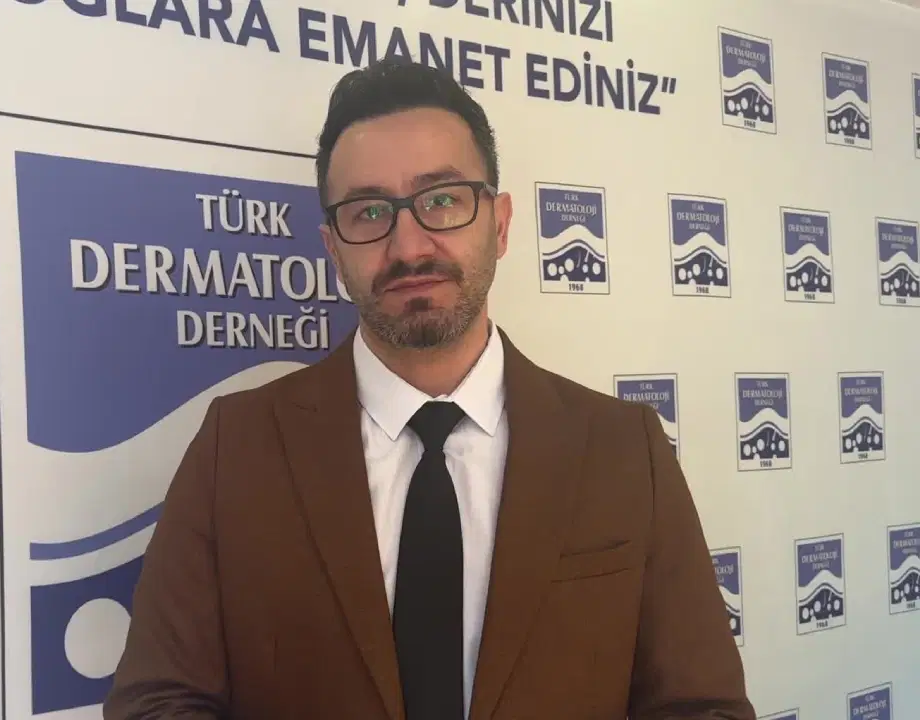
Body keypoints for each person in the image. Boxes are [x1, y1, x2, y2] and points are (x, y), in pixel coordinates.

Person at [104, 58, 755, 720]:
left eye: (442, 200)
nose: (409, 246)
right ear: (333, 249)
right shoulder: (235, 448)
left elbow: (701, 707)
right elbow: (157, 701)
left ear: (500, 224)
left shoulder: (624, 449)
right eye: (368, 211)